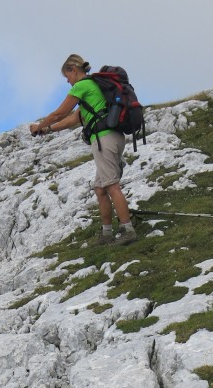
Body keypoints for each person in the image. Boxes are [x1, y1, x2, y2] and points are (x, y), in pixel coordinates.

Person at [30, 54, 136, 246]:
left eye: (67, 76)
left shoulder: (82, 86)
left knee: (112, 185)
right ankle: (106, 234)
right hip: (113, 137)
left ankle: (127, 230)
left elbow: (60, 113)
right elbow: (73, 119)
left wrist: (39, 126)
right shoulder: (93, 86)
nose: (67, 81)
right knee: (100, 188)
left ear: (73, 70)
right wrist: (47, 130)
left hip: (104, 139)